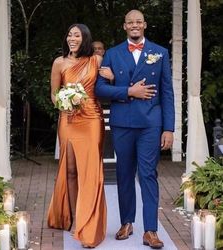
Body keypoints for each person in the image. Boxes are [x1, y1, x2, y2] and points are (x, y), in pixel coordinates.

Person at [95, 9, 175, 249]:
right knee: (124, 174)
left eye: (138, 21)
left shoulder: (160, 53)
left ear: (145, 25)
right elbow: (99, 90)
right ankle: (126, 223)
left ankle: (150, 230)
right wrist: (128, 90)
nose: (134, 25)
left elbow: (167, 93)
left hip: (151, 124)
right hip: (122, 124)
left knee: (148, 174)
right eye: (130, 22)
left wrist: (169, 128)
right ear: (124, 26)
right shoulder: (112, 53)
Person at [47, 23, 107, 248]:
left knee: (89, 171)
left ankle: (88, 223)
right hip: (68, 119)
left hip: (91, 119)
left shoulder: (97, 61)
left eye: (77, 35)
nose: (72, 38)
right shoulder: (59, 62)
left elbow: (109, 85)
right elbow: (53, 93)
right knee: (71, 170)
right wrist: (62, 103)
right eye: (70, 34)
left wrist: (110, 77)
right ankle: (74, 218)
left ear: (85, 39)